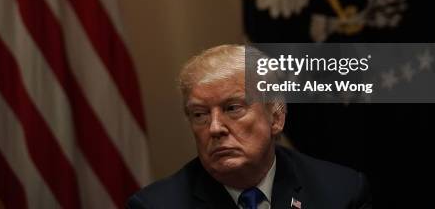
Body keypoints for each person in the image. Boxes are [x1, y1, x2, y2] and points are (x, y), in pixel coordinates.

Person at [127, 44, 372, 209]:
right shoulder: (154, 206)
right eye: (199, 114)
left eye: (233, 108)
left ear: (275, 117)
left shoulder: (341, 192)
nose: (214, 128)